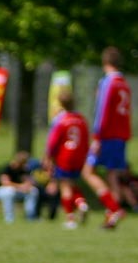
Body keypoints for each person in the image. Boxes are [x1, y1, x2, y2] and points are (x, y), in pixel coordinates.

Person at [47, 88, 124, 229]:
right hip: (79, 155)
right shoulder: (81, 119)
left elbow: (53, 141)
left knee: (65, 185)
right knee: (72, 183)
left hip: (65, 155)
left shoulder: (60, 120)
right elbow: (85, 140)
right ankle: (81, 203)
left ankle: (70, 218)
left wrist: (49, 156)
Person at [90, 46, 133, 201]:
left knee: (88, 171)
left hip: (107, 134)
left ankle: (112, 208)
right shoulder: (124, 84)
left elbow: (103, 111)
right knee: (112, 174)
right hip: (121, 135)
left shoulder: (108, 82)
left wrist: (96, 136)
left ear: (105, 62)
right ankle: (114, 212)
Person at [0, 151, 39, 223]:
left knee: (33, 191)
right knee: (9, 191)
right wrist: (20, 186)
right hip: (2, 191)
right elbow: (5, 182)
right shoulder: (7, 168)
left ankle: (30, 217)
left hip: (18, 191)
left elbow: (28, 181)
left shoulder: (24, 169)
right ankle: (9, 219)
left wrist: (27, 186)